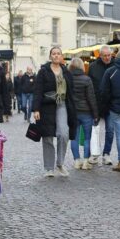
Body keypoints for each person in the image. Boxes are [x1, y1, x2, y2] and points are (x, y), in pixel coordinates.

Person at [33, 46, 77, 177]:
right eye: (54, 54)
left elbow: (71, 91)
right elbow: (38, 90)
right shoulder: (43, 71)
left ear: (61, 56)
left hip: (62, 104)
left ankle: (60, 163)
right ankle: (48, 168)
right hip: (46, 106)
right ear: (50, 56)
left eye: (58, 54)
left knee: (64, 133)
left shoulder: (66, 72)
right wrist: (36, 109)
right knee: (47, 136)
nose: (56, 56)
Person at [67, 57, 99, 170]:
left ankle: (76, 161)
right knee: (87, 138)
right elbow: (91, 98)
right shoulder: (87, 79)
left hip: (73, 112)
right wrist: (95, 114)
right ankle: (86, 162)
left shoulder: (68, 79)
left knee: (74, 138)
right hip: (86, 112)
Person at [88, 45, 116, 165]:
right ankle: (94, 154)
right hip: (96, 103)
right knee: (94, 130)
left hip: (111, 103)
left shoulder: (116, 66)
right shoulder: (93, 66)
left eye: (109, 55)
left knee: (110, 130)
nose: (107, 57)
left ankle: (106, 154)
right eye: (104, 55)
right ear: (100, 55)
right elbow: (88, 84)